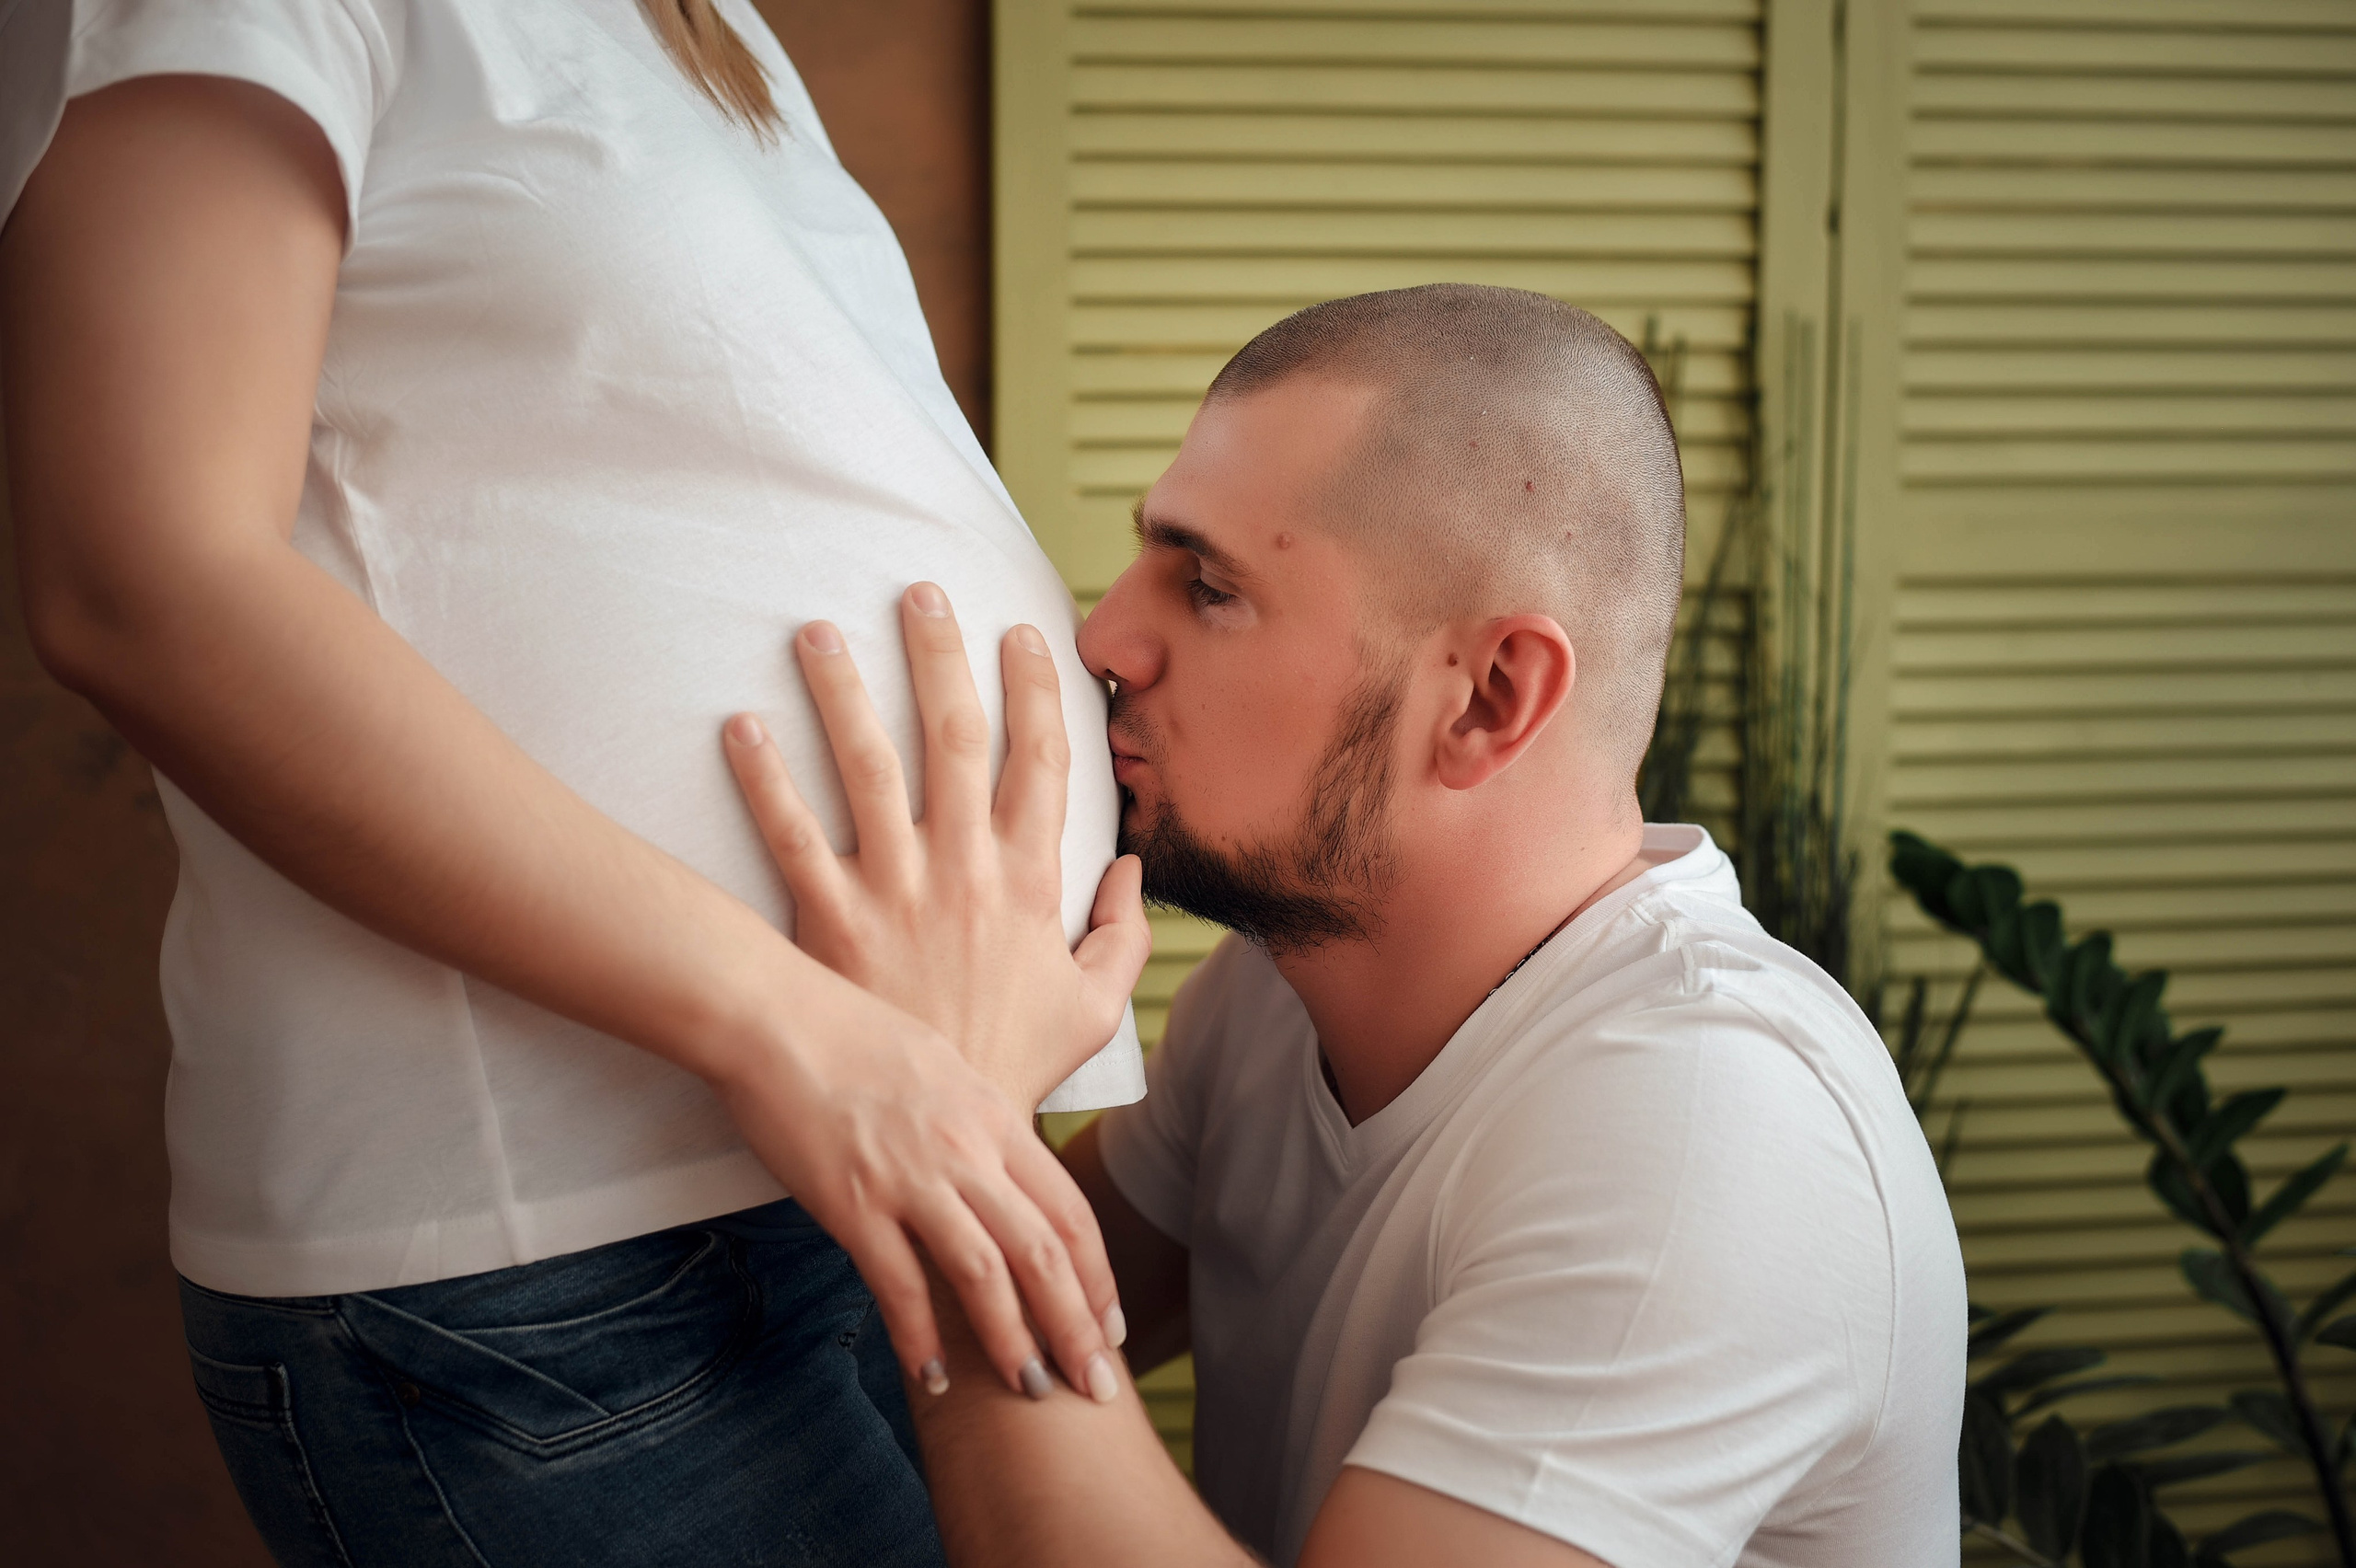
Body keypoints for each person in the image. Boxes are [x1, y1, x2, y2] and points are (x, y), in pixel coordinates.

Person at [0, 2, 1145, 1562]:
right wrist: (794, 1026)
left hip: (846, 1161)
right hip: (558, 1271)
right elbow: (146, 580)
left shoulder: (695, 23)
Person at [727, 284, 1970, 1568]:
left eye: (1207, 587)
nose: (1104, 635)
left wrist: (958, 1135)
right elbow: (908, 1360)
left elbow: (975, 1279)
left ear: (1489, 699)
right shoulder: (1270, 1004)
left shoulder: (1713, 1127)